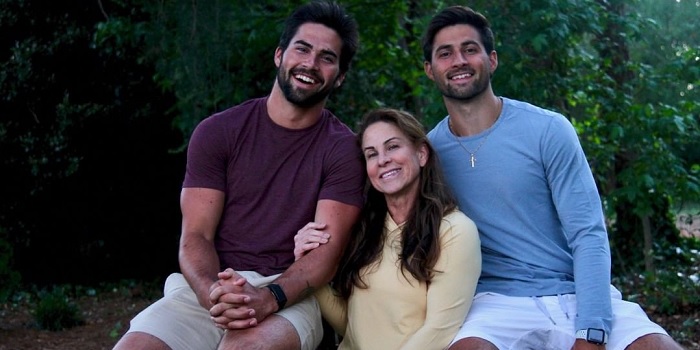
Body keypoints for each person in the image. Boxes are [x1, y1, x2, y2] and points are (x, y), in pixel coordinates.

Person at [422, 6, 684, 350]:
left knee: (657, 346)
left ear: (493, 60)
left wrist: (591, 330)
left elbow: (588, 233)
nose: (459, 60)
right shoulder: (428, 154)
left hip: (575, 288)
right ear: (430, 70)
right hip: (495, 301)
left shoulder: (547, 129)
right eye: (446, 53)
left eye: (470, 49)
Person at [113, 2, 364, 350]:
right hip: (212, 286)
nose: (310, 63)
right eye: (302, 49)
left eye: (327, 57)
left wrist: (270, 297)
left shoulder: (343, 150)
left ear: (339, 76)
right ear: (280, 55)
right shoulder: (218, 132)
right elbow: (196, 235)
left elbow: (327, 252)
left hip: (288, 292)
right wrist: (212, 294)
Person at [294, 108, 482, 349]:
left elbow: (440, 329)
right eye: (371, 154)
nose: (382, 160)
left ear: (422, 154)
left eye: (393, 147)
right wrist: (307, 266)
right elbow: (352, 327)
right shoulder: (366, 229)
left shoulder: (454, 231)